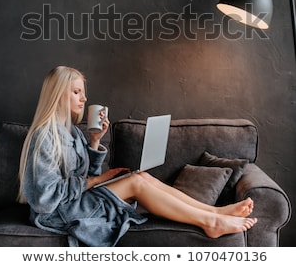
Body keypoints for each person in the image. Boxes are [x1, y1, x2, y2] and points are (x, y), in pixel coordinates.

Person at [18, 66, 257, 247]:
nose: (84, 99)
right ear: (59, 94)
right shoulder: (45, 137)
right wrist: (96, 181)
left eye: (83, 92)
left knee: (141, 176)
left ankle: (214, 212)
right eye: (77, 92)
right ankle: (210, 222)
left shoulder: (73, 133)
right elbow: (43, 198)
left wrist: (94, 141)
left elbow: (85, 180)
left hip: (76, 203)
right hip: (56, 215)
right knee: (135, 182)